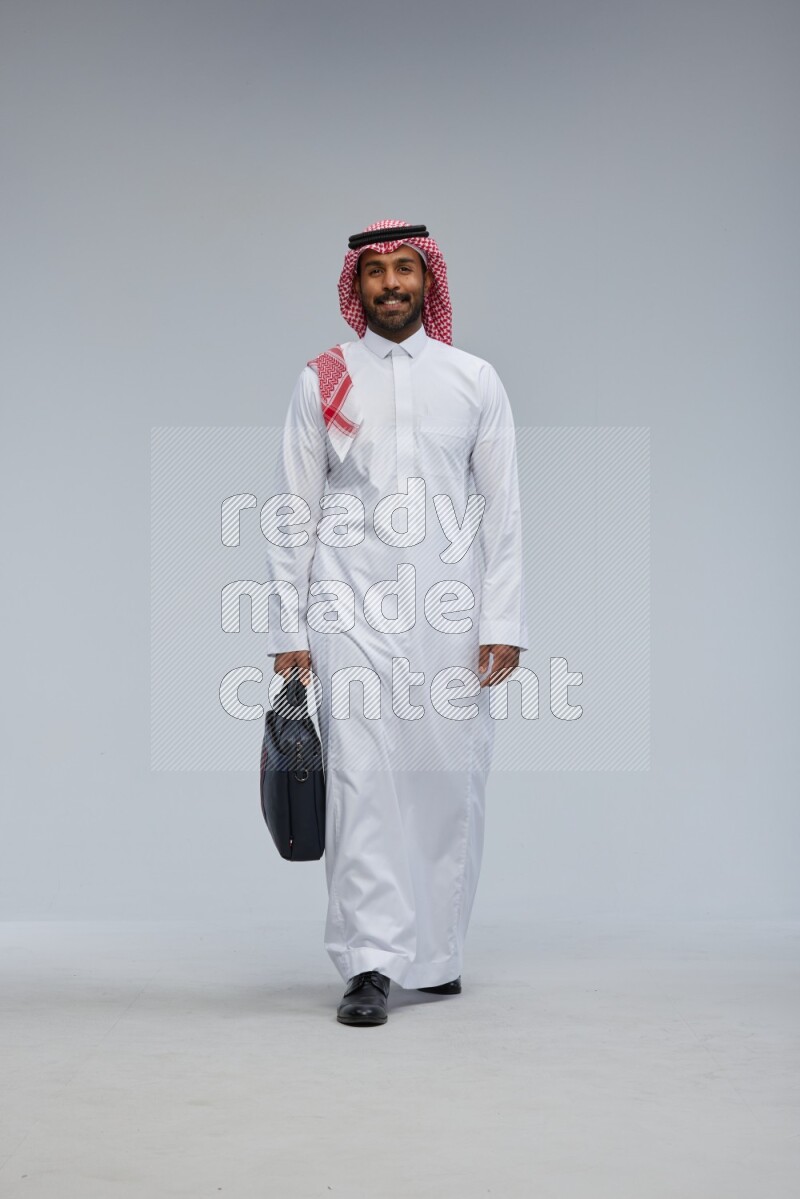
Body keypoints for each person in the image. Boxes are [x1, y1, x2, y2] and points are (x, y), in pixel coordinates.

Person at [264, 219, 528, 1025]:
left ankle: (438, 953)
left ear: (427, 280)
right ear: (358, 285)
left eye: (404, 269)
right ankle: (370, 962)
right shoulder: (325, 379)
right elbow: (291, 512)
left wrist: (503, 619)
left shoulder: (474, 379)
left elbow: (505, 510)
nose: (389, 284)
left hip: (451, 612)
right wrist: (289, 633)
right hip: (349, 608)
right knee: (360, 784)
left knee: (451, 782)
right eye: (374, 271)